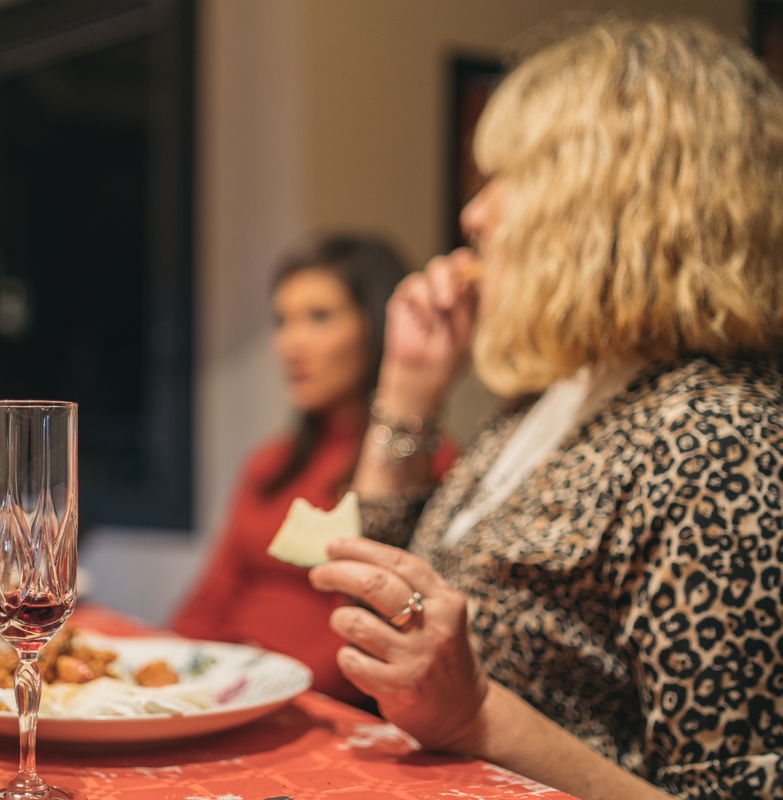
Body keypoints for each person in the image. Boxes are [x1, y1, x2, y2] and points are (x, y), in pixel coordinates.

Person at [309, 19, 783, 800]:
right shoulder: (554, 399)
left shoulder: (721, 439)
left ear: (612, 202)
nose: (475, 214)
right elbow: (382, 589)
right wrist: (407, 392)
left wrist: (477, 719)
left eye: (508, 178)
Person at [171, 236, 456, 707]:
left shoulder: (426, 465)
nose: (290, 343)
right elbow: (212, 599)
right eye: (282, 321)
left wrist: (259, 688)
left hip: (313, 702)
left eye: (319, 317)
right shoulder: (270, 463)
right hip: (225, 693)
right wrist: (174, 678)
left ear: (379, 326)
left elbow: (383, 631)